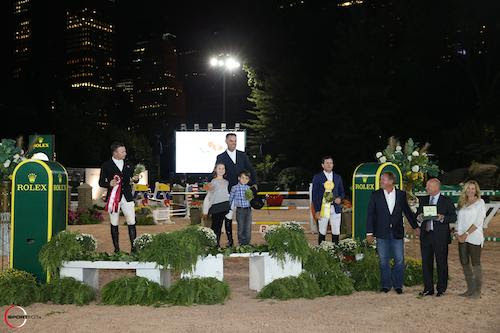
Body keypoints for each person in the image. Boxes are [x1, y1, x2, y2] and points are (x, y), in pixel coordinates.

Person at [366, 172, 419, 294]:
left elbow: (407, 212)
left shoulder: (401, 194)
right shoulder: (376, 195)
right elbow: (370, 215)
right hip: (381, 232)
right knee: (383, 260)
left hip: (397, 232)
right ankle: (385, 285)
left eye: (383, 179)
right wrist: (369, 232)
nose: (380, 181)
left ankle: (398, 285)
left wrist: (415, 227)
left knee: (399, 259)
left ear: (391, 181)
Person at [416, 178, 457, 297]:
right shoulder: (423, 200)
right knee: (426, 263)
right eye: (427, 186)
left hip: (441, 237)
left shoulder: (446, 200)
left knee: (441, 263)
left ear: (436, 187)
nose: (426, 188)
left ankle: (441, 289)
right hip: (426, 235)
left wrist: (442, 217)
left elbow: (453, 217)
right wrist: (420, 217)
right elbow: (416, 216)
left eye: (428, 186)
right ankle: (428, 288)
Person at [99, 142, 139, 253]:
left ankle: (134, 248)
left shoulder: (129, 164)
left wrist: (136, 178)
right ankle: (116, 249)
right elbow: (101, 182)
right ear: (115, 153)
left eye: (125, 151)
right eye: (122, 151)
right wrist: (109, 184)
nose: (125, 153)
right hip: (113, 198)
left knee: (131, 221)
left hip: (127, 196)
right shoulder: (106, 165)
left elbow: (134, 178)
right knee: (114, 222)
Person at [455, 180, 486, 299]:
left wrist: (466, 234)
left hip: (474, 237)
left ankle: (477, 291)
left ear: (476, 190)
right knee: (464, 263)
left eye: (473, 188)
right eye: (468, 188)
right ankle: (470, 289)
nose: (470, 191)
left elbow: (478, 221)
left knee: (476, 263)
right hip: (462, 238)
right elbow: (459, 220)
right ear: (465, 190)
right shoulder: (463, 203)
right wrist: (458, 233)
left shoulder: (480, 203)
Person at [311, 156, 345, 244]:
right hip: (323, 208)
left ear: (333, 165)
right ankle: (322, 252)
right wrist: (317, 210)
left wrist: (340, 198)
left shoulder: (338, 177)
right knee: (322, 231)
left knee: (336, 230)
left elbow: (342, 192)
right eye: (327, 163)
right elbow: (315, 195)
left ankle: (335, 251)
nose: (329, 165)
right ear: (323, 165)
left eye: (331, 163)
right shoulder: (317, 177)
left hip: (336, 208)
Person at [203, 163, 234, 247]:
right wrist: (207, 187)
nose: (221, 170)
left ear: (225, 171)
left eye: (223, 168)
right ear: (215, 170)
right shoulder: (213, 181)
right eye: (219, 168)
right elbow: (208, 191)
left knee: (220, 226)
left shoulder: (226, 182)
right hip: (216, 206)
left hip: (224, 205)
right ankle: (214, 244)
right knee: (214, 226)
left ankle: (217, 244)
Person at [229, 170, 253, 245]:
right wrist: (228, 208)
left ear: (248, 180)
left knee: (248, 227)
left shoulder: (249, 188)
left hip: (248, 210)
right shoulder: (234, 188)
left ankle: (247, 244)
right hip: (240, 210)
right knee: (241, 228)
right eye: (242, 178)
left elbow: (251, 199)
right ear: (239, 178)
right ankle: (241, 244)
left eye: (246, 178)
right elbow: (231, 198)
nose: (244, 180)